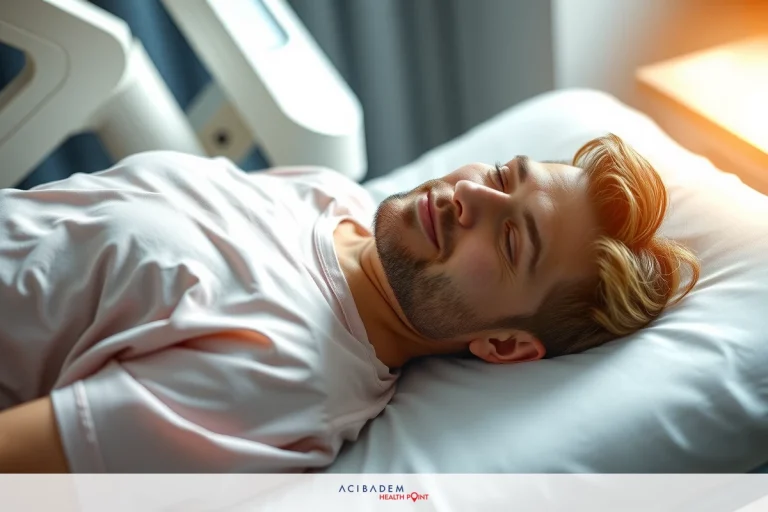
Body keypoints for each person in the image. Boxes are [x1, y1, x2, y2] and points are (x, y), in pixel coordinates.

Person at [0, 133, 699, 473]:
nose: (469, 197)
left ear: (505, 346)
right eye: (500, 175)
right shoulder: (330, 196)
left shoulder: (276, 382)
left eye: (511, 238)